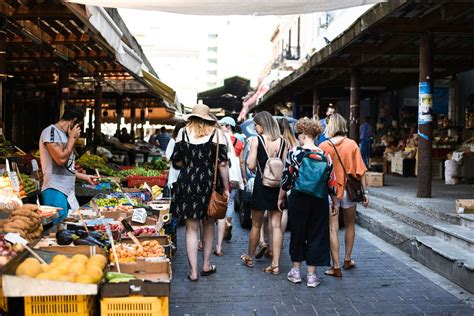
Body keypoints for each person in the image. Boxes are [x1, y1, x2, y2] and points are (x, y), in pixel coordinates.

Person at [171, 104, 229, 282]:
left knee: (191, 228)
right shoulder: (217, 134)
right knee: (209, 224)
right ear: (208, 118)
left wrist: (191, 164)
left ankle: (193, 272)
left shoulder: (183, 133)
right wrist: (226, 187)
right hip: (209, 183)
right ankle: (206, 265)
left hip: (187, 181)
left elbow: (176, 161)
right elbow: (223, 164)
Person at [278, 117, 338, 287]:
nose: (297, 136)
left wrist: (281, 197)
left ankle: (296, 272)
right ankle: (311, 276)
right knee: (316, 234)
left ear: (304, 133)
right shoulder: (325, 155)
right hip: (319, 198)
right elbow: (331, 180)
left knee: (298, 232)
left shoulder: (294, 153)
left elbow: (287, 178)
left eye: (298, 133)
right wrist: (334, 202)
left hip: (298, 197)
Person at [319, 113, 369, 278]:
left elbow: (320, 172)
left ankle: (336, 266)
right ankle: (347, 259)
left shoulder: (324, 146)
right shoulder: (352, 144)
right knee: (350, 225)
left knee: (332, 228)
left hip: (331, 192)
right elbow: (361, 170)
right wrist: (365, 193)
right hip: (349, 191)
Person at [241, 111, 287, 275]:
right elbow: (284, 166)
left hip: (262, 185)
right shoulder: (283, 141)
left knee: (256, 224)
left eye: (256, 125)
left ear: (262, 124)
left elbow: (251, 165)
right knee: (276, 226)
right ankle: (275, 264)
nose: (255, 128)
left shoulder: (256, 140)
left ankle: (250, 257)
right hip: (277, 187)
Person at [39, 106, 98, 225]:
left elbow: (66, 168)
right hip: (55, 190)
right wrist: (72, 140)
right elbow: (60, 160)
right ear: (73, 121)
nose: (78, 130)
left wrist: (84, 177)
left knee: (68, 229)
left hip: (67, 192)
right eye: (78, 125)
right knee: (58, 232)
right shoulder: (51, 132)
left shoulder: (64, 135)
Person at [215, 116, 244, 256]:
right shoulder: (239, 142)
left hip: (221, 177)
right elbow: (242, 162)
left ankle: (224, 224)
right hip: (234, 177)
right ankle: (228, 221)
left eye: (222, 124)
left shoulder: (219, 139)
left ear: (227, 126)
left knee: (221, 204)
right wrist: (243, 177)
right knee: (231, 201)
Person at [165, 121, 187, 191]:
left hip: (185, 174)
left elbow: (167, 157)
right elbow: (168, 157)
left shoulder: (188, 141)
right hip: (176, 173)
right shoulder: (173, 141)